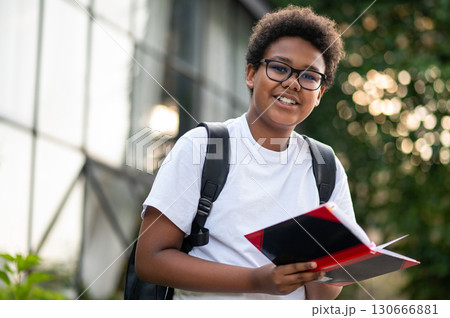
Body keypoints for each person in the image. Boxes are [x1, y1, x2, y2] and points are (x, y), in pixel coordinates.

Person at [135, 5, 355, 300]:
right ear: (251, 74)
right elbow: (150, 260)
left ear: (319, 95)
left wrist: (323, 269)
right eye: (279, 68)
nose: (292, 83)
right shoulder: (201, 147)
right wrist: (255, 280)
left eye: (310, 76)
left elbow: (322, 294)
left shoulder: (325, 167)